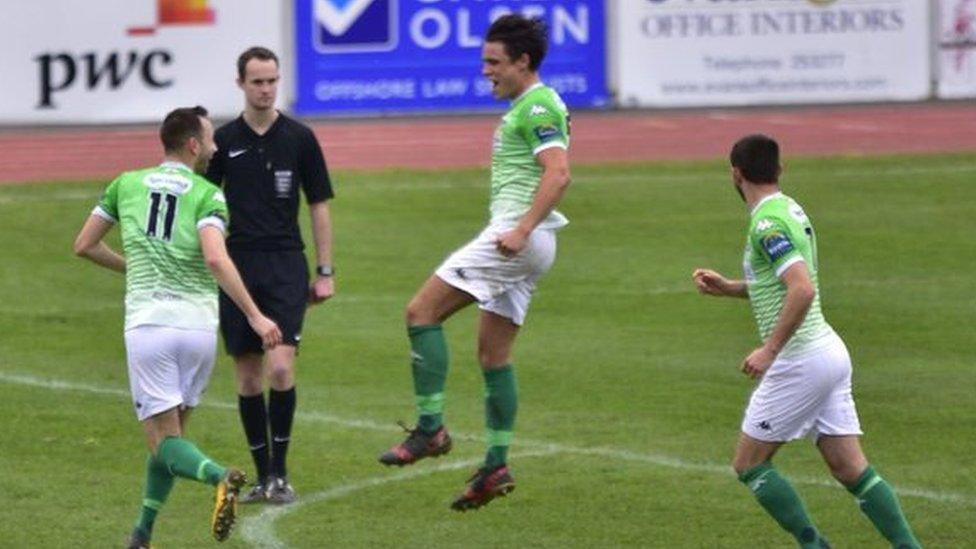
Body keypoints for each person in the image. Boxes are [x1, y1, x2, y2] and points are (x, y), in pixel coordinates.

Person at [377, 14, 572, 512]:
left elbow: (559, 173)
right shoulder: (531, 106)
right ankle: (497, 464)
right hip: (528, 243)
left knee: (421, 313)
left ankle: (430, 428)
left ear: (522, 62)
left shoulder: (538, 105)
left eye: (494, 62)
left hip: (515, 239)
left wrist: (522, 228)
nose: (485, 71)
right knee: (494, 357)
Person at [692, 134, 922, 548]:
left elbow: (802, 289)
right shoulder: (789, 208)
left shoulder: (767, 223)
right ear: (779, 170)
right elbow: (779, 284)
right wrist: (730, 288)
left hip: (801, 361)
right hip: (828, 353)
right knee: (850, 469)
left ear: (736, 173)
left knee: (749, 464)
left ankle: (815, 546)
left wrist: (769, 350)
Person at [73, 106, 283, 548]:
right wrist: (254, 313)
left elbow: (85, 245)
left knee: (164, 440)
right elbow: (213, 256)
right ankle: (142, 533)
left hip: (150, 325)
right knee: (170, 441)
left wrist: (132, 268)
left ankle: (219, 476)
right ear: (192, 145)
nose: (215, 146)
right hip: (198, 329)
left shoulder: (125, 184)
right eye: (209, 138)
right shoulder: (208, 194)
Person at [204, 46, 335, 505]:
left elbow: (318, 204)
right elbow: (202, 207)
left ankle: (280, 474)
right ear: (240, 83)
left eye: (272, 80)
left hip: (284, 265)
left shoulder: (300, 138)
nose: (266, 88)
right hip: (237, 268)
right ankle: (263, 478)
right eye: (257, 81)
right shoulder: (223, 142)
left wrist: (324, 270)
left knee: (280, 367)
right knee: (247, 380)